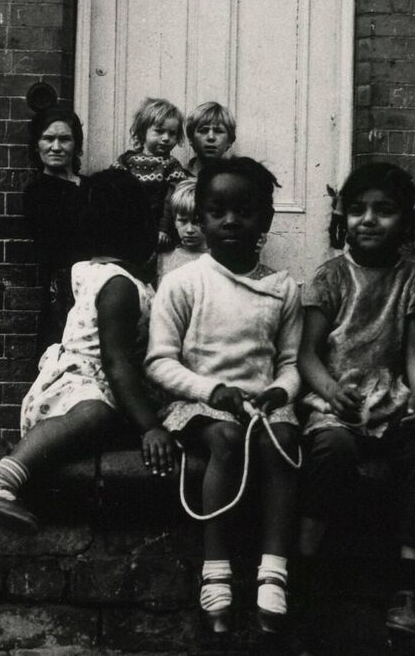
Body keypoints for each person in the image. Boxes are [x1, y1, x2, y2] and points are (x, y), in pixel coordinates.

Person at [0, 170, 172, 532]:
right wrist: (149, 426)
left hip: (80, 384)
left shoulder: (93, 272)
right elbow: (116, 362)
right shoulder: (119, 286)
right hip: (77, 391)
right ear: (139, 229)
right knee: (97, 415)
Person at [146, 157, 302, 634]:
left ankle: (273, 572)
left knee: (285, 441)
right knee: (227, 440)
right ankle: (216, 570)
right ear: (200, 217)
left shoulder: (283, 288)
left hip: (260, 405)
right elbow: (159, 362)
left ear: (267, 220)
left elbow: (291, 363)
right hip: (200, 405)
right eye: (217, 211)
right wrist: (211, 390)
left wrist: (279, 391)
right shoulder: (183, 283)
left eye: (246, 211)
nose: (231, 221)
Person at [295, 162, 415, 642]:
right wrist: (328, 390)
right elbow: (307, 354)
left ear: (405, 221)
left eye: (383, 211)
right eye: (357, 210)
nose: (368, 220)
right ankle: (306, 573)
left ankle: (406, 589)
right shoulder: (332, 276)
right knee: (331, 453)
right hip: (338, 401)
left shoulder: (413, 278)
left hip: (389, 398)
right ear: (343, 218)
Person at [22, 109, 90, 350]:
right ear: (36, 145)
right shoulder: (37, 193)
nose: (56, 146)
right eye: (48, 139)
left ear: (76, 145)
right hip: (62, 289)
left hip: (96, 284)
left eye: (65, 139)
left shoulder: (91, 187)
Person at [111, 97, 189, 251]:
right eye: (159, 131)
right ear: (142, 131)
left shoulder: (171, 166)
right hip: (126, 228)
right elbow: (112, 191)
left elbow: (172, 201)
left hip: (157, 232)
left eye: (172, 133)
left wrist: (164, 229)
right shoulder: (127, 161)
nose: (166, 138)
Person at [155, 179, 207, 282]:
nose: (189, 230)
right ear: (175, 221)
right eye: (183, 221)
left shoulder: (218, 259)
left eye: (196, 222)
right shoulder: (162, 258)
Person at [184, 101, 236, 176]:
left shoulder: (236, 180)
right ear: (191, 139)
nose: (211, 137)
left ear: (230, 140)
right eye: (203, 131)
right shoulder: (177, 176)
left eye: (218, 131)